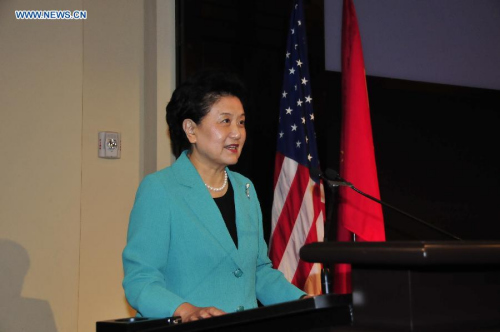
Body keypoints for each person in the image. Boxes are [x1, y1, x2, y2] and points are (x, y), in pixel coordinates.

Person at [122, 70, 306, 323]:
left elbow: (258, 271)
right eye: (225, 121)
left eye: (241, 122)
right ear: (191, 130)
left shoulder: (245, 189)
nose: (237, 133)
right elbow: (140, 280)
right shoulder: (161, 189)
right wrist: (186, 310)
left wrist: (303, 302)